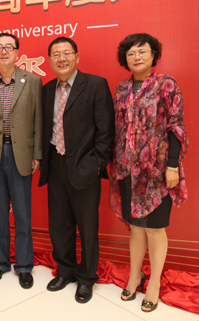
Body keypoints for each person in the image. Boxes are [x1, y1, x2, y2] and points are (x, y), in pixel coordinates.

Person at [109, 33, 188, 313]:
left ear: (153, 55)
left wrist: (172, 166)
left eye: (142, 51)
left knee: (155, 229)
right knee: (136, 228)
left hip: (157, 170)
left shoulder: (167, 85)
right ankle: (135, 276)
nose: (137, 57)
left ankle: (154, 282)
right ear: (125, 59)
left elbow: (176, 127)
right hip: (127, 169)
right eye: (131, 53)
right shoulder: (121, 89)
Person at [39, 36, 114, 304]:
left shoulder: (95, 84)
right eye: (56, 54)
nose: (61, 59)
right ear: (50, 60)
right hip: (55, 165)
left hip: (85, 166)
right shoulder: (47, 90)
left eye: (66, 53)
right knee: (59, 225)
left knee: (87, 227)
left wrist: (95, 164)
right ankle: (65, 271)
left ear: (77, 57)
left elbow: (106, 131)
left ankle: (86, 278)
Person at [0, 33, 43, 289]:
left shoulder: (32, 81)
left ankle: (24, 265)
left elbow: (38, 120)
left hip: (21, 155)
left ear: (17, 52)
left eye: (9, 47)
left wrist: (37, 154)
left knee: (23, 214)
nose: (4, 51)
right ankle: (1, 262)